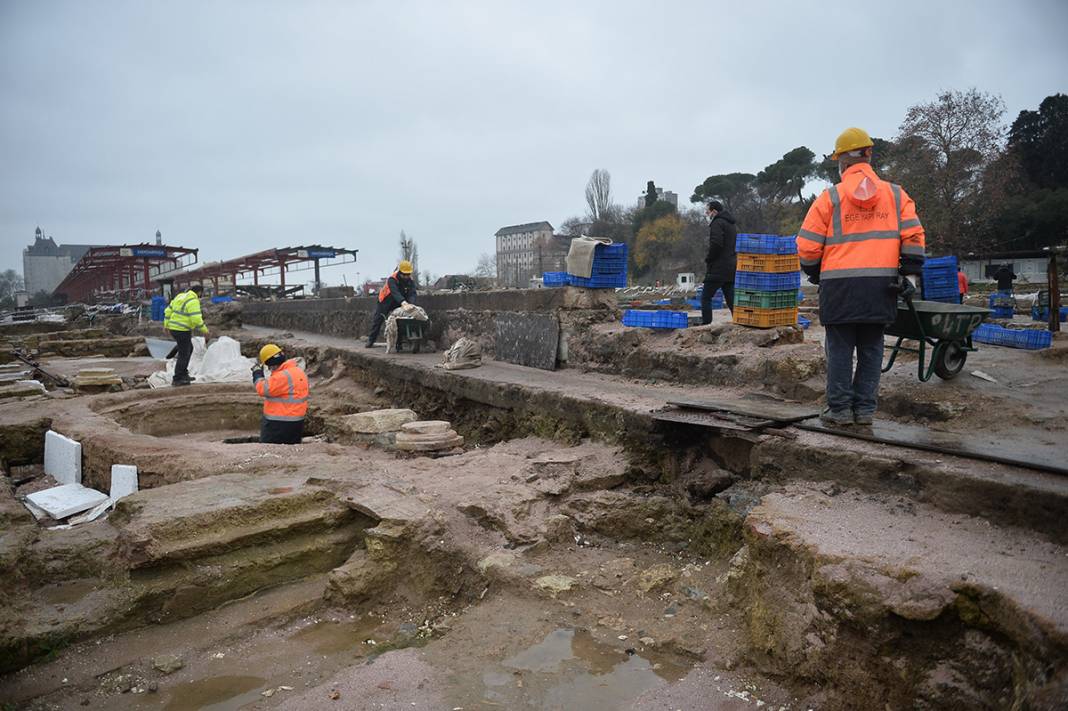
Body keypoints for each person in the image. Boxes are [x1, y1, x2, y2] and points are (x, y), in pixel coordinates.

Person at [796, 127, 926, 427]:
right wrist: (909, 274)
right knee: (871, 348)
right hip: (881, 287)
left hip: (839, 287)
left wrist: (815, 272)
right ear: (869, 155)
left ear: (841, 162)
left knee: (840, 350)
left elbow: (807, 245)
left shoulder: (831, 198)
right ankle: (865, 411)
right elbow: (915, 237)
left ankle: (839, 410)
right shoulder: (896, 196)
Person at [253, 344, 309, 444]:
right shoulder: (298, 371)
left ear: (270, 363)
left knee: (269, 452)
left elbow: (262, 389)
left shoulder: (282, 376)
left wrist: (257, 374)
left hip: (278, 424)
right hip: (297, 422)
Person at [701, 200, 738, 325]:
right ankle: (739, 321)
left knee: (706, 297)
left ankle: (706, 324)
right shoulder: (731, 225)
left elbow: (716, 243)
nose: (707, 214)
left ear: (714, 211)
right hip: (731, 266)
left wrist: (709, 258)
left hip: (718, 267)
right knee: (731, 298)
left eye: (708, 211)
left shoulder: (717, 223)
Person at [163, 284, 208, 387]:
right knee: (184, 353)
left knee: (189, 348)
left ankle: (183, 374)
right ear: (199, 292)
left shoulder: (180, 296)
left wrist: (166, 325)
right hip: (182, 330)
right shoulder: (193, 300)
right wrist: (205, 330)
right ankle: (177, 378)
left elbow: (168, 311)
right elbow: (196, 318)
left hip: (174, 328)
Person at [366, 260, 417, 347]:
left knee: (400, 321)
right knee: (378, 320)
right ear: (400, 272)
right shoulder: (392, 279)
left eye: (408, 274)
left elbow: (412, 293)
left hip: (398, 302)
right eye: (404, 274)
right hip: (385, 301)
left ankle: (399, 342)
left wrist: (411, 304)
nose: (406, 276)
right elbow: (395, 292)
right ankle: (371, 340)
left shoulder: (410, 282)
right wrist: (403, 302)